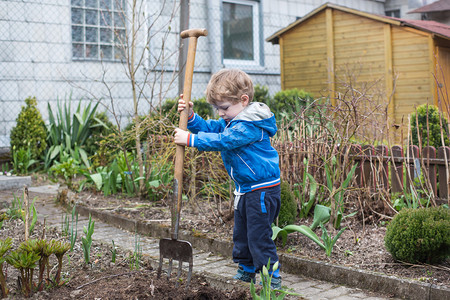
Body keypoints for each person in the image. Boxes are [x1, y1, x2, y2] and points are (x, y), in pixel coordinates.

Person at [174, 69, 282, 289]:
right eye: (217, 108)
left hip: (261, 190)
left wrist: (190, 139)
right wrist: (192, 117)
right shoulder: (233, 119)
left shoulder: (248, 126)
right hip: (245, 189)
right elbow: (212, 128)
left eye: (224, 108)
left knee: (258, 236)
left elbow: (223, 140)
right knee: (241, 234)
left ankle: (272, 278)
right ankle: (247, 270)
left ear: (243, 100)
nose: (220, 113)